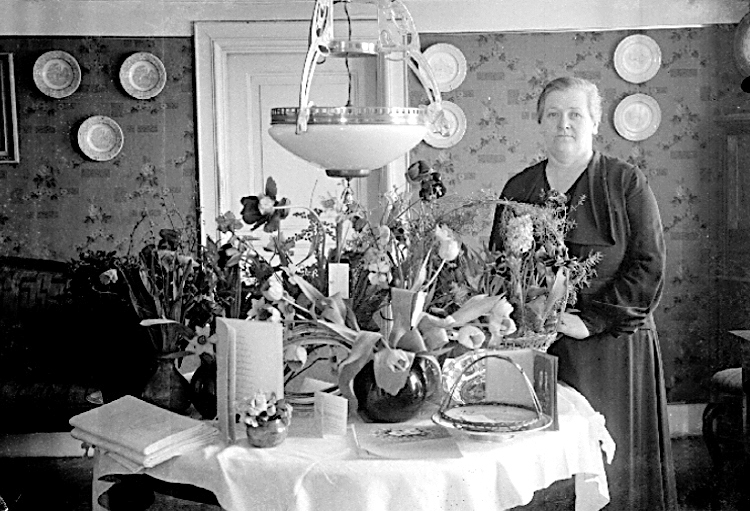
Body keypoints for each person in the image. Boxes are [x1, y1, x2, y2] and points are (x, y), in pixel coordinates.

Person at [489, 76, 677, 511]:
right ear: (540, 123)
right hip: (543, 350)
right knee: (547, 471)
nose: (564, 124)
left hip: (612, 348)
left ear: (594, 122)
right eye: (553, 114)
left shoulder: (626, 182)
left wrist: (590, 321)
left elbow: (649, 264)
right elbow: (500, 267)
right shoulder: (518, 189)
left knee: (613, 471)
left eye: (576, 114)